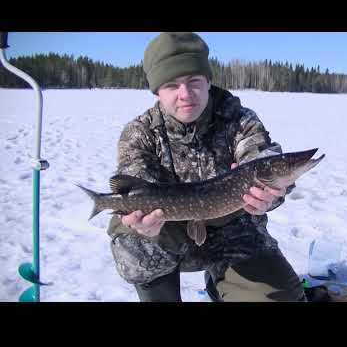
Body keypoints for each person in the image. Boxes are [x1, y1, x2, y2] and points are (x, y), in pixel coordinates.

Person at [107, 32, 306, 302]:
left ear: (209, 81)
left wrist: (270, 196)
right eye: (171, 85)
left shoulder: (238, 118)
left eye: (194, 81)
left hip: (234, 229)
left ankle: (225, 285)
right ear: (156, 91)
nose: (185, 94)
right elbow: (133, 180)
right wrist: (141, 223)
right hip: (167, 230)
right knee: (132, 241)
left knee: (281, 298)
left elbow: (260, 157)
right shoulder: (140, 133)